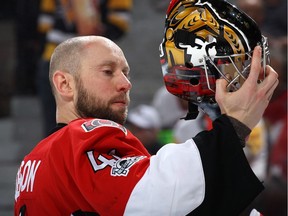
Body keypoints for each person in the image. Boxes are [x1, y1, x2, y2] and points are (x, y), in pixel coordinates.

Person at [14, 1, 279, 216]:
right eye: (108, 72)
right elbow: (157, 198)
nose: (126, 84)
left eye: (126, 73)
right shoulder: (82, 137)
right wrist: (234, 125)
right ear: (64, 84)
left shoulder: (33, 160)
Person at [37, 0, 132, 136]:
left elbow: (44, 24)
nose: (127, 84)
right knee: (57, 123)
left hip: (66, 56)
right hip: (61, 58)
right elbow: (119, 25)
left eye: (126, 73)